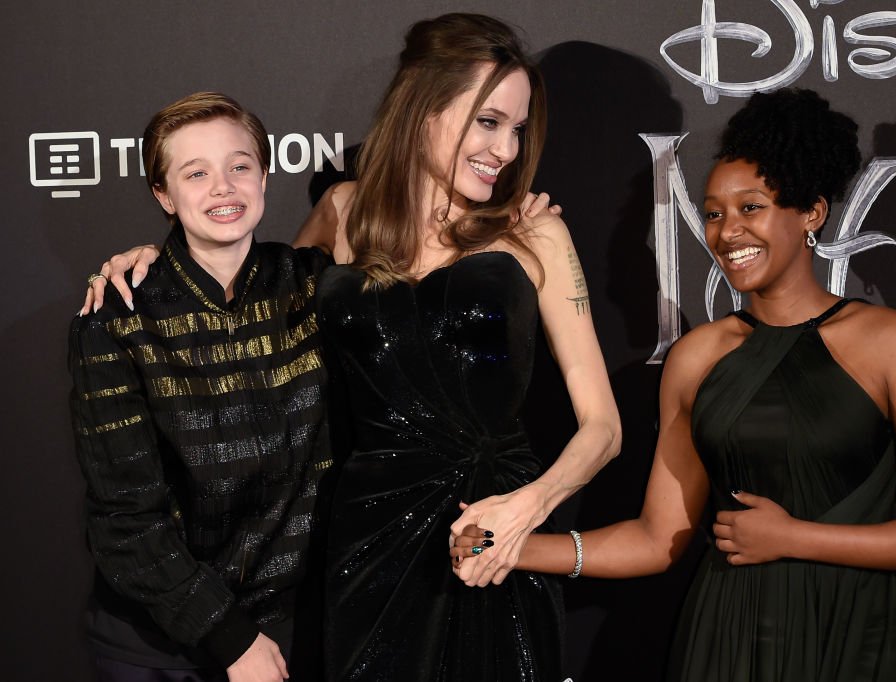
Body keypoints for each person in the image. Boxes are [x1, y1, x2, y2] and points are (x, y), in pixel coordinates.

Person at [82, 13, 618, 681]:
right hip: (368, 539)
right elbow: (246, 297)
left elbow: (604, 427)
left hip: (491, 534)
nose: (506, 149)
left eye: (517, 128)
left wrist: (526, 509)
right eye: (488, 121)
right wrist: (148, 262)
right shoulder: (343, 214)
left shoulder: (535, 234)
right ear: (423, 108)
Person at [452, 89, 896, 682]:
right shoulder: (698, 357)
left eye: (751, 208)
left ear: (811, 212)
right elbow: (658, 540)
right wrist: (512, 547)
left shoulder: (888, 341)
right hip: (730, 638)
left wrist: (793, 538)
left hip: (860, 635)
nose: (728, 232)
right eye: (712, 213)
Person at [70, 92, 334, 681]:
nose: (223, 187)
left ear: (264, 175)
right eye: (196, 172)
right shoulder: (118, 317)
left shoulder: (317, 289)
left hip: (293, 628)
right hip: (161, 643)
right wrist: (231, 640)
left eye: (239, 166)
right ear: (163, 194)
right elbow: (124, 519)